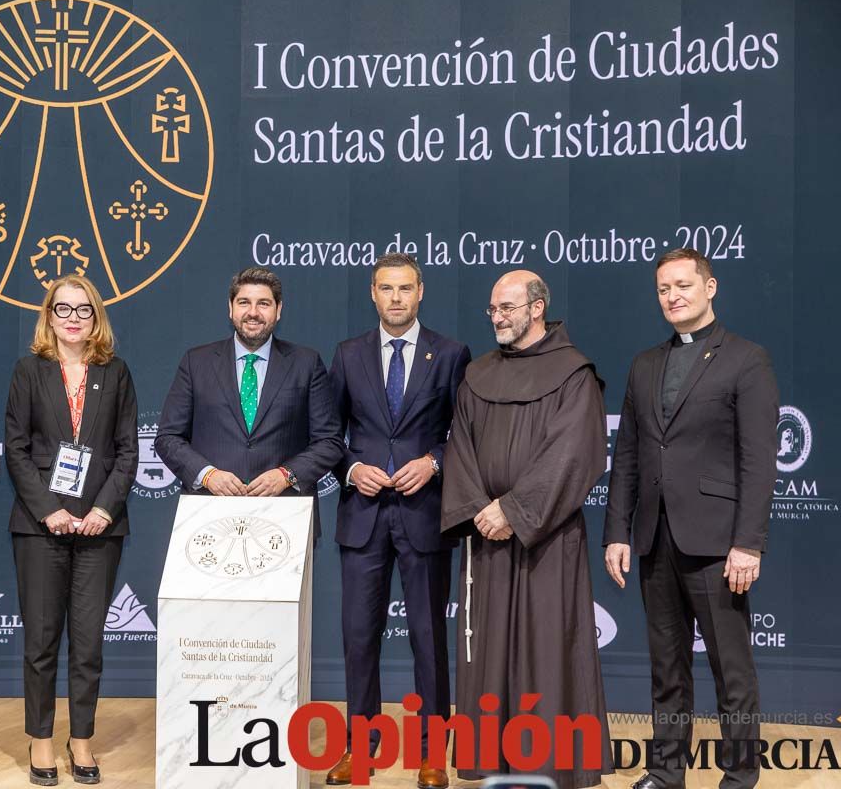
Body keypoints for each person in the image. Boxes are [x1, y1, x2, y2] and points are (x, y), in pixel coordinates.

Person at [604, 248, 777, 789]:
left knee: (733, 672)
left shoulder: (747, 359)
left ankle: (740, 776)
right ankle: (665, 771)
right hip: (655, 539)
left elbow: (758, 459)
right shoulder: (645, 364)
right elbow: (628, 455)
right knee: (667, 671)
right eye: (663, 289)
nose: (672, 296)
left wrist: (747, 543)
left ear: (710, 287)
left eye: (683, 285)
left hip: (718, 544)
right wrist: (616, 533)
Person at [440, 270, 613, 789]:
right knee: (488, 648)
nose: (498, 317)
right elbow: (461, 449)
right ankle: (490, 758)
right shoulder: (478, 374)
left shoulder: (573, 373)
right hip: (486, 537)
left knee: (547, 646)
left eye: (508, 308)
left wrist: (513, 511)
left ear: (537, 309)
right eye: (493, 309)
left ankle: (552, 761)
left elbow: (573, 455)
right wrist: (479, 509)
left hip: (547, 537)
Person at [326, 253, 470, 788]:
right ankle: (359, 749)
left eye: (405, 288)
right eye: (386, 288)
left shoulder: (451, 354)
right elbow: (327, 437)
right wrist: (354, 467)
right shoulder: (347, 355)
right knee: (358, 637)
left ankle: (433, 753)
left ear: (420, 292)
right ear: (372, 292)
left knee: (429, 640)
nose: (395, 298)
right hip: (362, 517)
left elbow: (464, 437)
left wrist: (433, 463)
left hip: (424, 515)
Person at [4, 274, 139, 786]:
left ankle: (80, 739)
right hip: (42, 528)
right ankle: (41, 741)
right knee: (41, 642)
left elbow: (128, 450)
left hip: (100, 528)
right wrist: (48, 510)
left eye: (84, 310)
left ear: (96, 317)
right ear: (49, 316)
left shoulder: (116, 372)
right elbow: (15, 449)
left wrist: (103, 510)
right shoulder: (28, 372)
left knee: (88, 645)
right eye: (64, 309)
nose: (74, 318)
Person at [154, 267, 343, 537]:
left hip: (285, 517)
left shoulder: (306, 363)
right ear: (230, 309)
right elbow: (168, 437)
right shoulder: (196, 362)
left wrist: (286, 475)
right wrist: (208, 475)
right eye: (244, 302)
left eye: (263, 303)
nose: (253, 312)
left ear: (278, 311)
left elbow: (330, 442)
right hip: (210, 514)